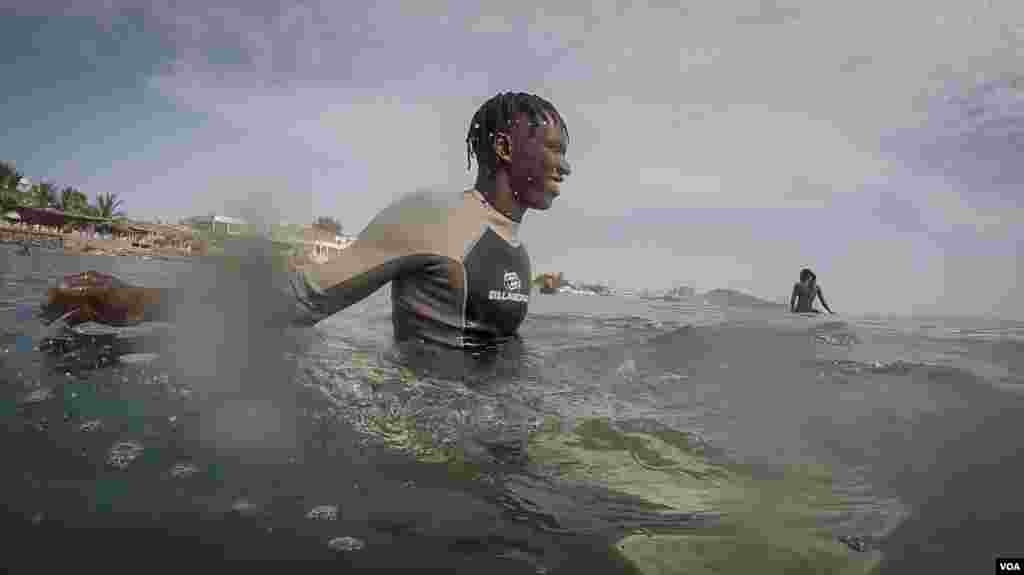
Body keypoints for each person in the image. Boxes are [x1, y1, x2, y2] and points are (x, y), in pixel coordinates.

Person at [39, 92, 572, 351]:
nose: (564, 165)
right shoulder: (434, 219)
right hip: (435, 453)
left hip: (495, 441)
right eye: (553, 149)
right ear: (504, 147)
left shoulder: (515, 244)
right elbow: (297, 302)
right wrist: (137, 303)